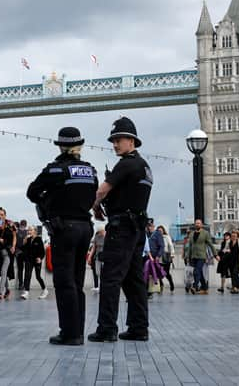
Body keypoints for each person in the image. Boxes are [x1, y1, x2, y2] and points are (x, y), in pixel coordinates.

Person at [27, 126, 97, 345]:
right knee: (77, 281)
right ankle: (78, 330)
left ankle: (69, 333)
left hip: (64, 228)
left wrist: (50, 198)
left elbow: (32, 192)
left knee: (64, 281)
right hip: (86, 228)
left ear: (61, 145)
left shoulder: (55, 170)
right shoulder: (90, 170)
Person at [88, 117, 152, 343]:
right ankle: (138, 327)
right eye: (113, 140)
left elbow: (102, 191)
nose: (115, 144)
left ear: (131, 141)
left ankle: (106, 329)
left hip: (122, 228)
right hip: (137, 229)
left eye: (119, 139)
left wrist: (95, 207)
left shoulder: (126, 163)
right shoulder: (145, 167)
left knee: (110, 277)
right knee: (134, 280)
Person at [186, 219, 217, 295]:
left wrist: (215, 254)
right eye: (196, 223)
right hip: (193, 256)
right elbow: (190, 246)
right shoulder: (192, 234)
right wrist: (188, 257)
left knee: (196, 271)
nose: (197, 224)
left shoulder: (205, 233)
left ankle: (194, 286)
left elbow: (210, 244)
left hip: (202, 256)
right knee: (200, 273)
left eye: (199, 223)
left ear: (201, 225)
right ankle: (204, 288)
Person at [21, 226, 48, 300]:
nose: (29, 231)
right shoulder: (28, 239)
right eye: (28, 230)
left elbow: (42, 251)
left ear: (35, 231)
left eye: (31, 230)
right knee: (27, 275)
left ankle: (45, 290)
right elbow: (23, 249)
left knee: (38, 276)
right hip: (29, 260)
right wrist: (24, 242)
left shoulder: (39, 239)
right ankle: (26, 292)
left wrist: (40, 258)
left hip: (37, 260)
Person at [157, 225, 175, 293]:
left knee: (166, 273)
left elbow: (171, 245)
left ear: (163, 231)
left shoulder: (167, 237)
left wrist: (172, 254)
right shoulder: (156, 238)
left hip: (166, 256)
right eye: (158, 231)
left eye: (161, 231)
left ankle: (171, 283)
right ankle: (161, 285)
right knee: (158, 272)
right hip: (158, 257)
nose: (160, 232)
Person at [87, 227, 105, 292]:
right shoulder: (97, 236)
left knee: (104, 272)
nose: (100, 233)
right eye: (99, 231)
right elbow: (94, 248)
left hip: (105, 257)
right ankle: (99, 286)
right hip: (98, 256)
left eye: (101, 231)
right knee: (98, 272)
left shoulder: (107, 236)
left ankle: (103, 286)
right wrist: (90, 257)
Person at [15, 220, 28, 290]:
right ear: (25, 225)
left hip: (18, 252)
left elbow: (15, 243)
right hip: (24, 252)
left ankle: (20, 284)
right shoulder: (26, 232)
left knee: (20, 269)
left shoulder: (17, 231)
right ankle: (25, 284)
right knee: (26, 269)